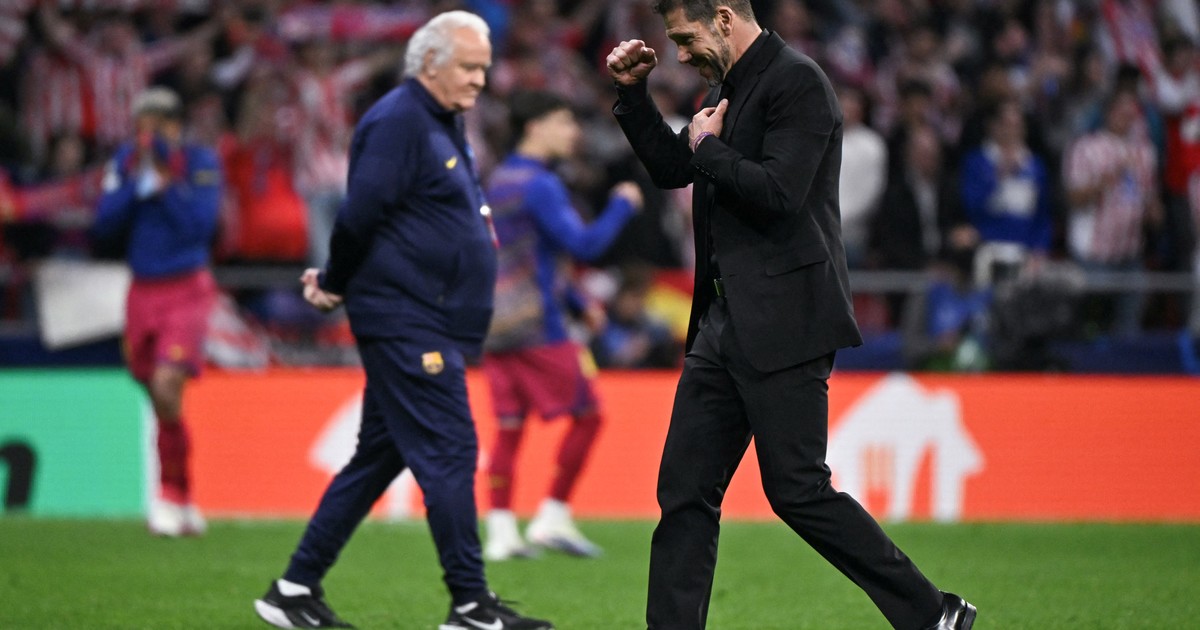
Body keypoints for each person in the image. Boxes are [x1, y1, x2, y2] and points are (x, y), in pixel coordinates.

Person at [604, 2, 976, 629]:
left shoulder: (798, 83)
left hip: (785, 319)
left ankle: (932, 613)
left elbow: (780, 192)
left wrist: (707, 146)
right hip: (721, 323)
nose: (680, 55)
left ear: (724, 19)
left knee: (798, 490)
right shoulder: (728, 87)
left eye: (685, 39)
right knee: (685, 491)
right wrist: (634, 96)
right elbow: (674, 168)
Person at [251, 12, 553, 630]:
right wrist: (334, 281)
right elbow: (360, 213)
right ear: (430, 62)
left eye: (484, 68)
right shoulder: (399, 121)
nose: (480, 79)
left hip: (427, 317)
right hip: (409, 317)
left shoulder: (440, 119)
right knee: (451, 450)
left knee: (378, 456)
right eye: (469, 67)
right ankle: (470, 604)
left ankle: (293, 588)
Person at [480, 89, 643, 562]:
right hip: (539, 326)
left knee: (509, 427)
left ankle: (501, 532)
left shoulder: (499, 180)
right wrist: (622, 204)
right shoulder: (540, 185)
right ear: (536, 127)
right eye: (564, 121)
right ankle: (552, 516)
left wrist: (576, 299)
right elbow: (583, 245)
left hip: (496, 324)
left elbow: (522, 255)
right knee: (589, 415)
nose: (573, 132)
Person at [90, 86, 221, 537]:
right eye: (143, 127)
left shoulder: (201, 164)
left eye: (158, 126)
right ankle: (182, 492)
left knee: (168, 384)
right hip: (141, 290)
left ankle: (168, 493)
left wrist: (166, 186)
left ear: (176, 126)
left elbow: (200, 227)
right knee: (158, 396)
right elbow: (104, 223)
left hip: (186, 288)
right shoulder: (125, 163)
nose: (149, 136)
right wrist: (138, 185)